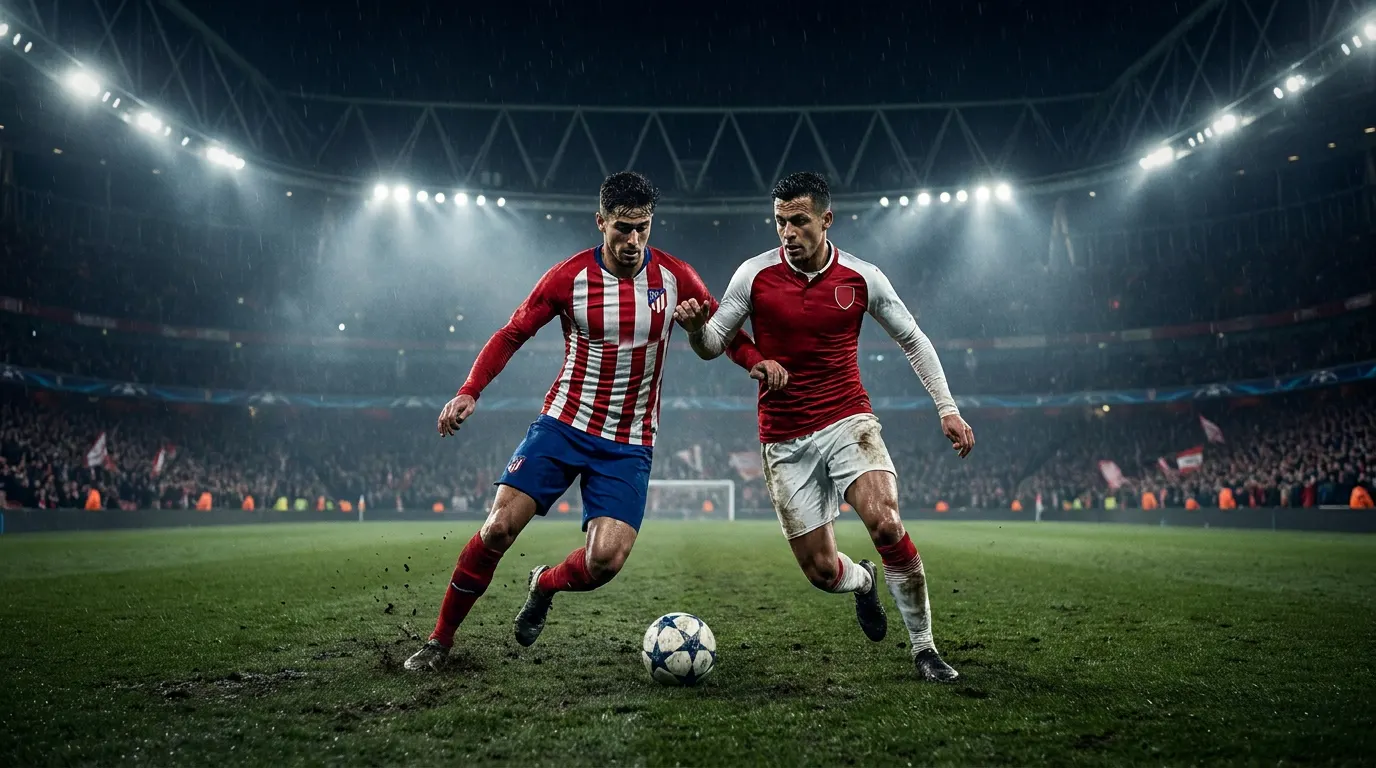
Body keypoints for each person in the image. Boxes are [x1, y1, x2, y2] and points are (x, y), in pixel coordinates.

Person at [404, 171, 786, 672]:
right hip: (564, 423)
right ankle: (439, 642)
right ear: (600, 221)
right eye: (622, 229)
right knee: (497, 529)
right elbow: (511, 334)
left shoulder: (674, 277)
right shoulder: (569, 278)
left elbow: (720, 330)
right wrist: (469, 391)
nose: (633, 241)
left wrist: (754, 358)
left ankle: (543, 584)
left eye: (643, 229)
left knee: (605, 561)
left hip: (628, 442)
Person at [673, 171, 974, 683]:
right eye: (779, 222)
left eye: (799, 221)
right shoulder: (754, 275)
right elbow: (714, 344)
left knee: (885, 520)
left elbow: (915, 340)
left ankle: (924, 648)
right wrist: (697, 328)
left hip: (847, 419)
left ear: (826, 220)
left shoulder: (862, 278)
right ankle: (861, 582)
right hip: (784, 437)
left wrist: (947, 407)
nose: (788, 233)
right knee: (821, 572)